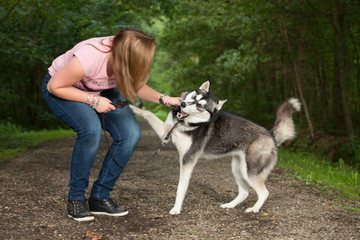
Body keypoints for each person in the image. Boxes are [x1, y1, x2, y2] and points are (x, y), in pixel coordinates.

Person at [42, 28, 180, 222]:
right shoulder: (91, 56)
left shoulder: (126, 61)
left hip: (102, 89)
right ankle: (76, 199)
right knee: (91, 131)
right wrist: (94, 101)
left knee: (130, 134)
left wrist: (164, 99)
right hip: (64, 88)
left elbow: (135, 85)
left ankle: (99, 196)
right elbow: (54, 86)